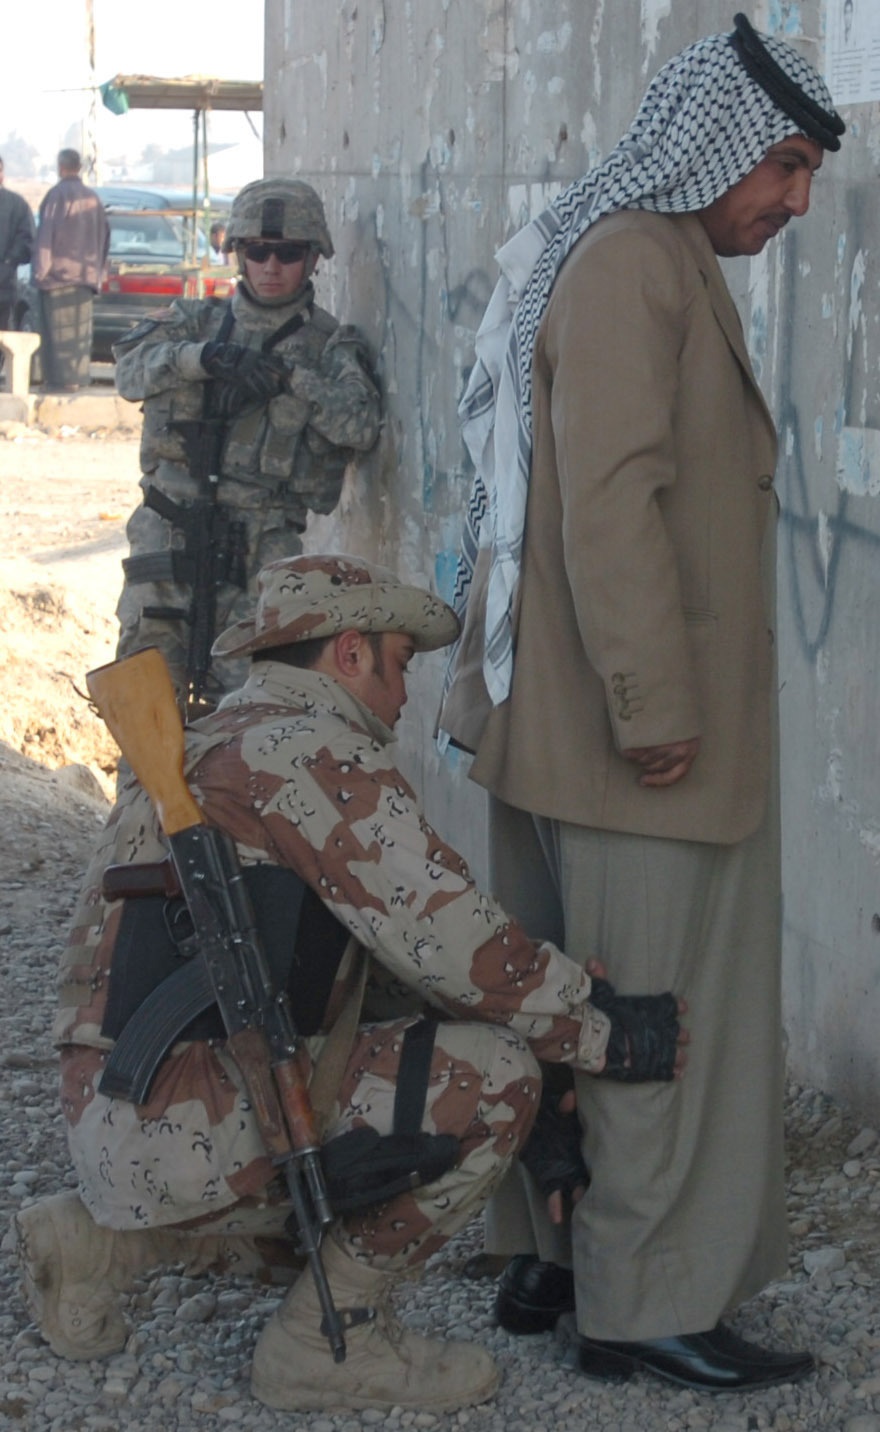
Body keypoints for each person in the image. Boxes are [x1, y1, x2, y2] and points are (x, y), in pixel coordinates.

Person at [13, 553, 686, 1415]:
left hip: (119, 1111)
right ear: (350, 654)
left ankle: (99, 1244)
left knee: (342, 1124)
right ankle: (330, 1343)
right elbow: (452, 940)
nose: (404, 698)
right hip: (183, 1114)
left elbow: (383, 962)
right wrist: (599, 1034)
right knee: (490, 1085)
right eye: (400, 665)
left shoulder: (206, 741)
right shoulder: (308, 753)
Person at [438, 13, 845, 1393]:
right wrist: (650, 703)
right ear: (721, 147)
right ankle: (644, 1301)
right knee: (654, 1017)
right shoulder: (632, 266)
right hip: (632, 748)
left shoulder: (640, 254)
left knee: (572, 1002)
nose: (795, 201)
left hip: (571, 736)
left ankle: (556, 1264)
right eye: (785, 167)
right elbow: (611, 504)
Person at [113, 177, 382, 715]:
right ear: (237, 253)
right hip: (170, 539)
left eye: (288, 252)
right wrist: (205, 359)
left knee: (251, 715)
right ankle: (145, 802)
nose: (271, 265)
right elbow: (128, 373)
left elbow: (360, 426)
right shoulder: (195, 321)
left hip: (260, 551)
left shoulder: (330, 346)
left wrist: (291, 379)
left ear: (313, 259)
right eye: (257, 250)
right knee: (145, 707)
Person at [33, 149, 109, 391]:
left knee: (57, 335)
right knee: (78, 334)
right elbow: (105, 238)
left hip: (58, 278)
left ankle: (60, 383)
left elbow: (46, 237)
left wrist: (39, 272)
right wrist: (98, 272)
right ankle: (77, 379)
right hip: (85, 278)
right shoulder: (93, 199)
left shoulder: (57, 196)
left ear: (61, 167)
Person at [0, 155, 36, 331]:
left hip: (4, 289)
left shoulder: (16, 204)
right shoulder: (17, 204)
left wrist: (8, 262)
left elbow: (27, 241)